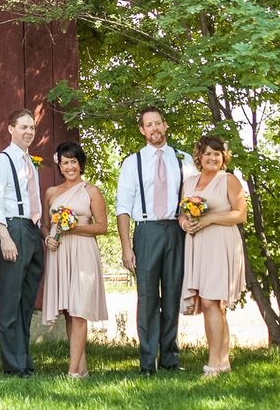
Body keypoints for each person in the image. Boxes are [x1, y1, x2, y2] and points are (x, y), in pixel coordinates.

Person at [116, 105, 194, 375]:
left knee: (172, 295)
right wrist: (127, 248)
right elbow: (123, 208)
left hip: (175, 230)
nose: (154, 129)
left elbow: (193, 198)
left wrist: (187, 217)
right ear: (142, 130)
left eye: (158, 123)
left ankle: (170, 359)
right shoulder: (132, 162)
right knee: (148, 298)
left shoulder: (183, 159)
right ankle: (147, 362)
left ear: (165, 125)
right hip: (146, 231)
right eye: (148, 125)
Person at [179, 134, 247, 376]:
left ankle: (214, 363)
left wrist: (209, 219)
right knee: (211, 305)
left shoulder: (228, 180)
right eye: (207, 153)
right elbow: (182, 214)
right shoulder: (190, 183)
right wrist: (185, 224)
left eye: (216, 154)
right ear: (199, 156)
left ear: (223, 157)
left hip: (221, 243)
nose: (212, 157)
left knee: (211, 301)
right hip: (197, 245)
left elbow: (240, 214)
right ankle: (222, 361)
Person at [0, 109, 45, 377]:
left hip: (31, 230)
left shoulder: (29, 163)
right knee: (10, 299)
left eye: (32, 127)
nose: (29, 132)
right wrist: (4, 237)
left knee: (26, 300)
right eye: (23, 127)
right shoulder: (1, 161)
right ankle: (13, 365)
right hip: (11, 229)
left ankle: (24, 359)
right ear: (10, 129)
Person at [41, 140, 108, 378]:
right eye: (65, 162)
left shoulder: (91, 191)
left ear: (81, 164)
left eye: (74, 162)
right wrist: (48, 238)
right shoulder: (51, 193)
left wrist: (73, 228)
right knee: (70, 311)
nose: (69, 167)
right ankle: (82, 368)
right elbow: (45, 226)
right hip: (60, 254)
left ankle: (72, 373)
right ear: (59, 165)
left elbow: (102, 227)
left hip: (82, 253)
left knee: (79, 311)